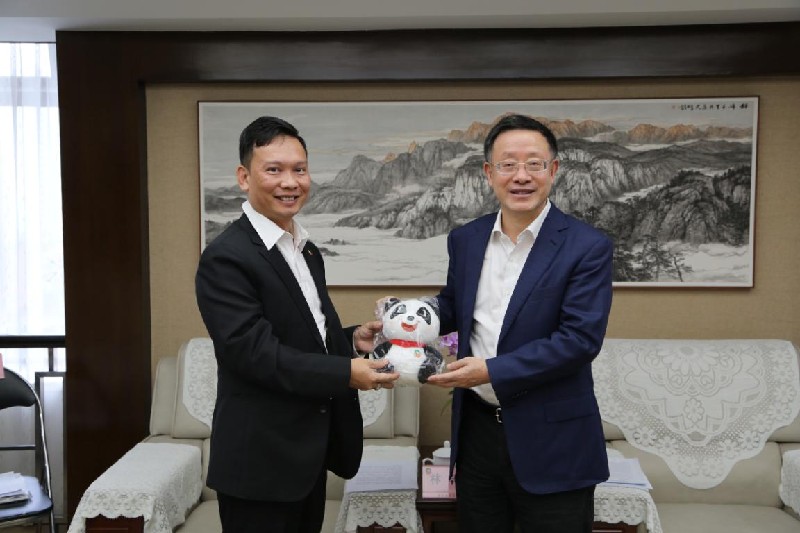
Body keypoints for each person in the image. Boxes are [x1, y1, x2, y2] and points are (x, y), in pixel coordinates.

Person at [195, 116, 399, 533]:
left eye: (299, 169)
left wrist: (350, 341)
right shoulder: (227, 257)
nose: (290, 182)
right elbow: (254, 354)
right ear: (244, 177)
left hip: (307, 458)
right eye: (274, 169)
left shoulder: (304, 250)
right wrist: (346, 372)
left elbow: (303, 334)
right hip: (260, 464)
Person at [427, 113, 613, 533]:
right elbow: (454, 305)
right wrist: (404, 319)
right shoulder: (466, 239)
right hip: (477, 437)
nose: (521, 176)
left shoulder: (587, 246)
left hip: (554, 441)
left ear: (554, 170)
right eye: (508, 164)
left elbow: (579, 340)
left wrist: (490, 370)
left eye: (534, 164)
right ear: (489, 173)